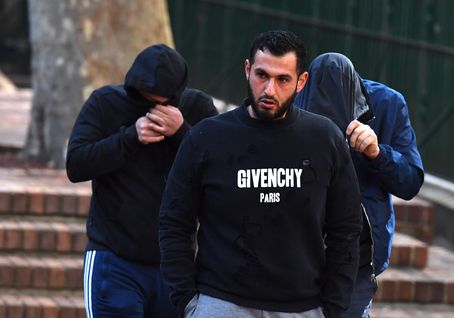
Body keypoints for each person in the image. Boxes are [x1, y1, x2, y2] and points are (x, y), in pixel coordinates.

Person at [158, 30, 363, 318]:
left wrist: (332, 308)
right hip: (220, 302)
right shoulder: (207, 137)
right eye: (261, 75)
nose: (269, 90)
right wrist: (188, 302)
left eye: (283, 80)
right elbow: (174, 221)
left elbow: (347, 228)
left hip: (303, 307)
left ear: (301, 82)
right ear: (247, 70)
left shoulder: (324, 138)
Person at [66, 44, 218, 317]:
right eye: (146, 101)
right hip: (114, 259)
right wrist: (129, 137)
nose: (154, 110)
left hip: (175, 266)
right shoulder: (105, 102)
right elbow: (76, 165)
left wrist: (182, 133)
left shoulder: (198, 108)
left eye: (162, 103)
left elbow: (221, 172)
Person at [295, 53, 424, 318]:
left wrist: (378, 153)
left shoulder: (388, 103)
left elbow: (410, 182)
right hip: (296, 249)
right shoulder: (291, 98)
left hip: (357, 256)